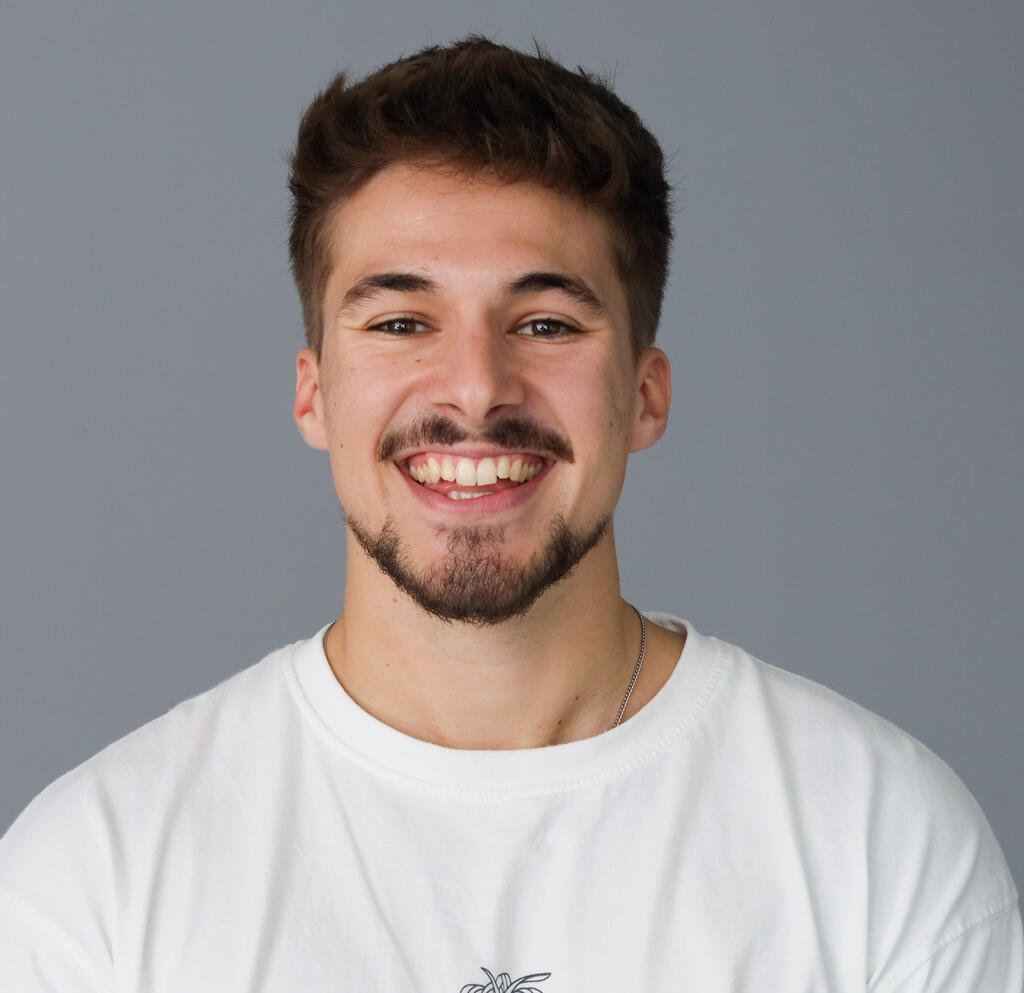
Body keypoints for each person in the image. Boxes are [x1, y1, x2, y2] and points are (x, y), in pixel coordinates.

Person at [0, 36, 1020, 992]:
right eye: (403, 320)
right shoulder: (94, 879)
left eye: (545, 323)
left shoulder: (876, 840)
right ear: (314, 395)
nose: (477, 387)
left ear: (646, 395)